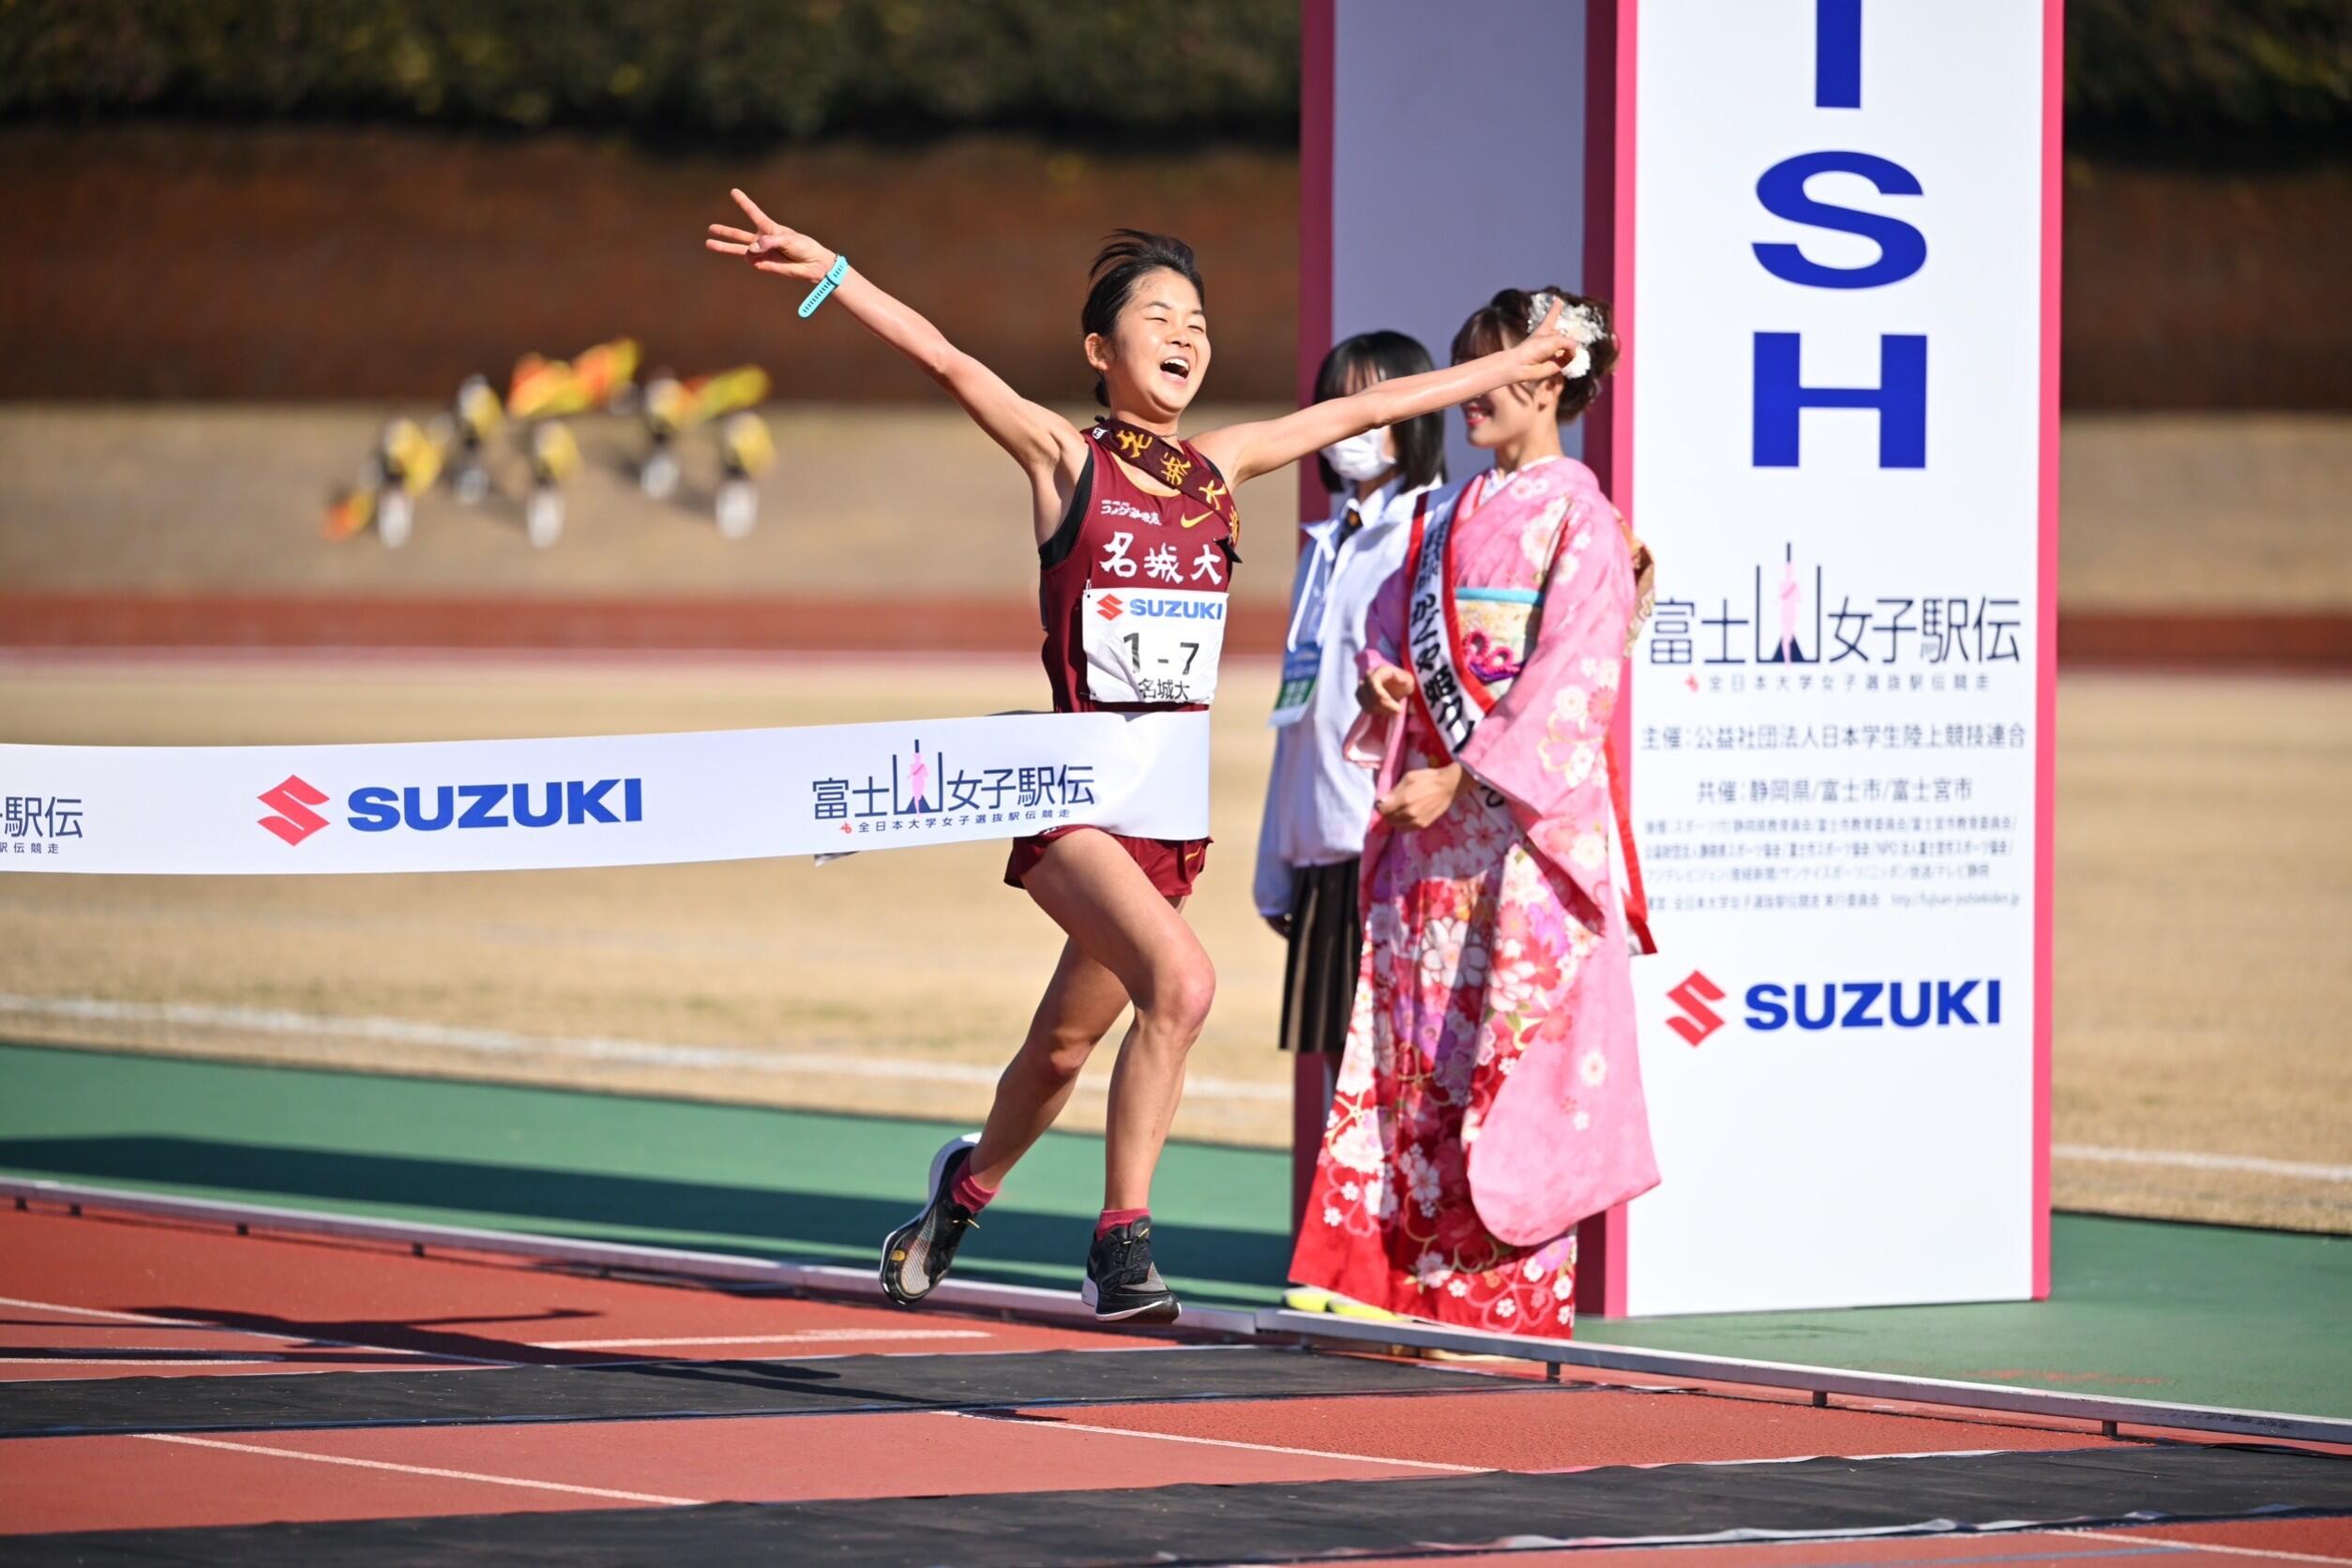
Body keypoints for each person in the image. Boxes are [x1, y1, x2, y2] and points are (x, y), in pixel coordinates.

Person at [707, 196, 1592, 1322]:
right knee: (1182, 983)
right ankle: (1120, 1248)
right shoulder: (1061, 460)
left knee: (1065, 1047)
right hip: (1072, 799)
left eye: (1199, 320)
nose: (1185, 335)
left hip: (1165, 818)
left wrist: (1510, 366)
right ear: (1099, 350)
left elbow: (1378, 406)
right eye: (1158, 316)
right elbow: (943, 359)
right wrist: (830, 270)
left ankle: (958, 1195)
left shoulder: (1223, 465)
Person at [1288, 286, 1660, 1339]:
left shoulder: (1582, 518)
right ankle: (1395, 1285)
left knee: (1508, 1056)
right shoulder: (1446, 513)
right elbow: (1387, 636)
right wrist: (1382, 684)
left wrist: (1462, 778)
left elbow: (1573, 682)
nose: (1467, 393)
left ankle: (1500, 1303)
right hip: (1432, 838)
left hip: (1519, 845)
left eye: (1486, 367)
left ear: (1549, 375)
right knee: (1416, 1051)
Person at [1254, 332, 1444, 1231]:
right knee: (1337, 1058)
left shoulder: (1431, 531)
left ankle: (1396, 1244)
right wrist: (1275, 856)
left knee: (1397, 1062)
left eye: (1372, 406)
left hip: (1394, 841)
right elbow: (1297, 715)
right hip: (1322, 840)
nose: (1350, 427)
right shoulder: (1322, 545)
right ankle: (1352, 1244)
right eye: (1336, 405)